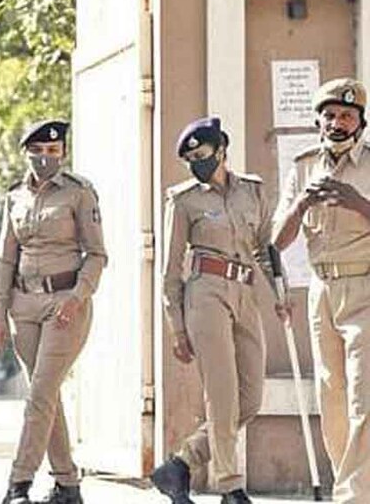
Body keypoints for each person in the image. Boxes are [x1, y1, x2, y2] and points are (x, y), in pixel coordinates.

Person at [152, 117, 283, 504]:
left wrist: (280, 297)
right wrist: (177, 327)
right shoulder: (183, 200)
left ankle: (180, 463)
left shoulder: (253, 192)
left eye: (202, 154)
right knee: (222, 396)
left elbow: (265, 250)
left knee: (250, 399)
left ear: (222, 150)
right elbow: (169, 270)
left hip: (245, 294)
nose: (197, 162)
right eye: (190, 158)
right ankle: (230, 485)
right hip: (205, 294)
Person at [0, 120, 107, 504]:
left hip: (64, 304)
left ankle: (17, 484)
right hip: (23, 305)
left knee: (40, 393)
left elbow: (97, 254)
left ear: (63, 154)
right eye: (38, 151)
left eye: (53, 151)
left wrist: (78, 295)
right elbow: (6, 257)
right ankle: (68, 485)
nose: (45, 157)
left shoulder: (79, 193)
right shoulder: (14, 197)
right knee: (47, 395)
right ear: (26, 153)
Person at [273, 78, 370, 503]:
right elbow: (276, 240)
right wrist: (301, 205)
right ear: (318, 120)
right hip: (321, 290)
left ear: (361, 124)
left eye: (347, 115)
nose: (337, 122)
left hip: (364, 284)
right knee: (330, 399)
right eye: (329, 115)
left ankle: (353, 496)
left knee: (362, 397)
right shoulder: (303, 164)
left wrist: (357, 202)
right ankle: (348, 485)